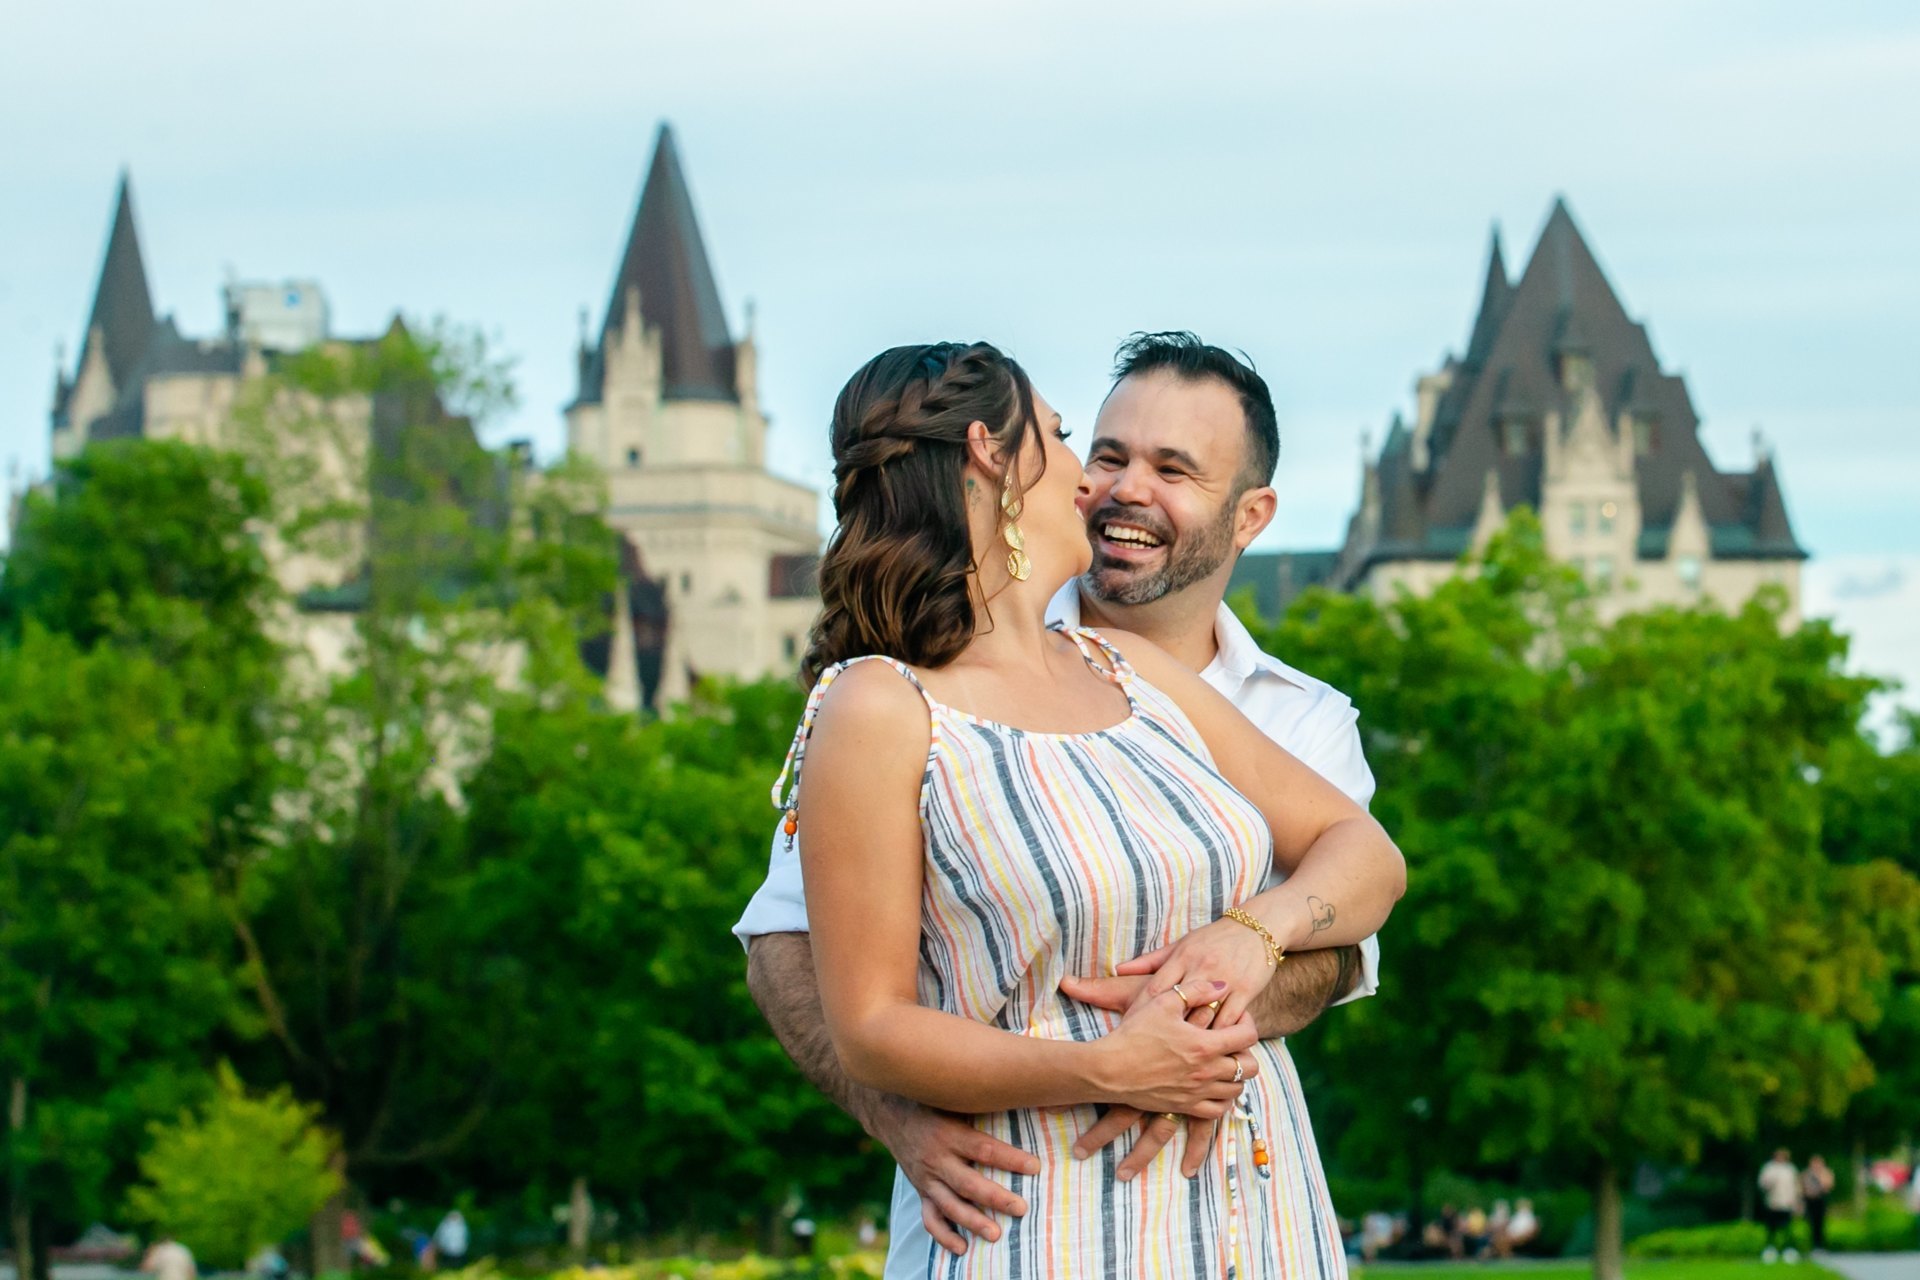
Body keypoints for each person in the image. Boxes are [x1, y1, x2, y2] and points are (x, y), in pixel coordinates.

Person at [738, 334, 1400, 1278]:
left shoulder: (1135, 674)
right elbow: (850, 1004)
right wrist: (1095, 1071)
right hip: (1041, 1215)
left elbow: (1360, 868)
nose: (1103, 488)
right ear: (987, 460)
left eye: (1172, 469)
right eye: (1079, 445)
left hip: (1256, 1213)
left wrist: (1249, 937)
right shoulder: (883, 705)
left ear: (1251, 514)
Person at [1757, 1148, 1801, 1262]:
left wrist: (1797, 1202)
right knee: (1771, 1229)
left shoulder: (1790, 1169)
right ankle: (1770, 1250)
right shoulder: (1769, 1168)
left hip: (1786, 1204)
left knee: (1787, 1229)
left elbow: (1796, 1187)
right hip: (1773, 1203)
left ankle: (1788, 1249)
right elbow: (1762, 1184)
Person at [1801, 1155, 1834, 1251]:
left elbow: (1828, 1185)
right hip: (1810, 1201)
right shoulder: (1806, 1174)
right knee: (1810, 1223)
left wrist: (1818, 1176)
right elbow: (1802, 1186)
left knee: (1820, 1223)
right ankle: (1812, 1245)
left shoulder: (1825, 1173)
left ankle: (1820, 1245)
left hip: (1821, 1200)